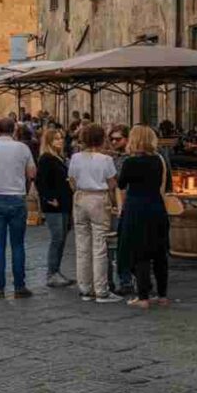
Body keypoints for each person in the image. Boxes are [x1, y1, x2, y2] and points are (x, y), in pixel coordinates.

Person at [0, 117, 37, 299]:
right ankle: (19, 286)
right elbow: (32, 173)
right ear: (14, 130)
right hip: (17, 197)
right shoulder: (23, 148)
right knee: (18, 244)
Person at [117, 125, 172, 309]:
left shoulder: (130, 162)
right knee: (159, 253)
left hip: (136, 208)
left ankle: (143, 297)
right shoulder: (158, 160)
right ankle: (162, 296)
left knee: (140, 253)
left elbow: (121, 184)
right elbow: (164, 184)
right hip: (156, 205)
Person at [68, 124, 122, 303]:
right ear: (102, 139)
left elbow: (72, 181)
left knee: (82, 244)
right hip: (99, 198)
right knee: (100, 245)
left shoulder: (75, 157)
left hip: (80, 197)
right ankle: (101, 290)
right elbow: (112, 183)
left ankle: (85, 288)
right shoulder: (106, 160)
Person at [36, 128, 74, 288]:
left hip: (64, 203)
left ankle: (56, 271)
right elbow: (40, 182)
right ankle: (52, 273)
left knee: (62, 238)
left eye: (61, 138)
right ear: (49, 142)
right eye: (56, 139)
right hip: (54, 206)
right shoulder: (46, 159)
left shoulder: (59, 158)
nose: (60, 141)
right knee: (57, 238)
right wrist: (50, 199)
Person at [107, 124, 135, 296]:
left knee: (127, 245)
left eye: (118, 139)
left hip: (130, 204)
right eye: (111, 139)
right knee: (116, 245)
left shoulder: (130, 159)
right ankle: (119, 280)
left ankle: (128, 279)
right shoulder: (112, 158)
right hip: (116, 206)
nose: (114, 142)